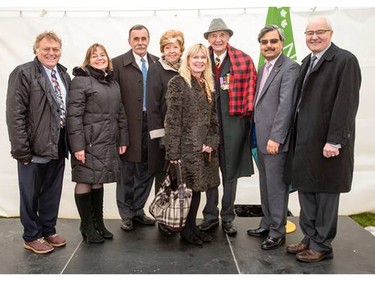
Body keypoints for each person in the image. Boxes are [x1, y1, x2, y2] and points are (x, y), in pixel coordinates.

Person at [286, 16, 361, 262]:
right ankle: (309, 237)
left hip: (327, 142)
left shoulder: (345, 60)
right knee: (307, 190)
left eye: (319, 32)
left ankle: (322, 245)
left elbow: (346, 104)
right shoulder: (307, 61)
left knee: (326, 193)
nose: (314, 37)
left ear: (330, 33)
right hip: (305, 141)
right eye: (309, 33)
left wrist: (335, 140)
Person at [6, 31, 70, 254]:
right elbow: (15, 114)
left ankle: (48, 229)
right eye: (46, 49)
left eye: (55, 49)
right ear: (36, 50)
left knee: (52, 191)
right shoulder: (23, 73)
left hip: (59, 144)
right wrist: (21, 150)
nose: (51, 53)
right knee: (30, 192)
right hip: (33, 147)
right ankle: (32, 235)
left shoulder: (63, 74)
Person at [67, 43, 129, 243]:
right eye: (95, 56)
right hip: (88, 142)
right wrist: (77, 146)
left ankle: (98, 223)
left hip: (106, 140)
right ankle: (86, 225)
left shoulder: (112, 82)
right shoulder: (81, 81)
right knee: (85, 180)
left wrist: (123, 138)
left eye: (103, 54)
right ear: (88, 60)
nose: (100, 58)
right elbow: (73, 116)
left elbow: (120, 112)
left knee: (97, 179)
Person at [199, 18, 256, 235]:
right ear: (208, 39)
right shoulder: (200, 58)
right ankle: (210, 216)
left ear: (228, 37)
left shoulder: (243, 59)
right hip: (208, 127)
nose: (218, 39)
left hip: (234, 125)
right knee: (210, 172)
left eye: (222, 35)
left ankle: (228, 217)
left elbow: (252, 91)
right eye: (213, 35)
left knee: (230, 174)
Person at [246, 25, 299, 250]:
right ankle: (267, 223)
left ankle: (277, 231)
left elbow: (286, 106)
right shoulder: (265, 67)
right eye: (264, 42)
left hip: (275, 140)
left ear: (281, 43)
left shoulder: (290, 68)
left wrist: (277, 138)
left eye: (273, 41)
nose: (268, 46)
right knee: (265, 184)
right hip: (260, 136)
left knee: (276, 187)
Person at [164, 43, 220, 246]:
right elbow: (172, 121)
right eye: (195, 57)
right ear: (187, 60)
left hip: (204, 151)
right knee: (187, 191)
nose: (199, 61)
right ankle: (186, 231)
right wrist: (173, 153)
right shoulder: (178, 83)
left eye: (203, 58)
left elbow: (214, 119)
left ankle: (193, 228)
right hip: (185, 150)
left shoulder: (208, 84)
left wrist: (211, 143)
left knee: (197, 191)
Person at [112, 24, 159, 231]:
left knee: (147, 170)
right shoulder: (117, 64)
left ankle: (138, 210)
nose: (140, 42)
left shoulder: (157, 62)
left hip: (153, 125)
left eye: (144, 38)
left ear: (149, 40)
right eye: (136, 38)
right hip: (128, 125)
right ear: (129, 41)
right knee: (126, 172)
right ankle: (126, 214)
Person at [146, 30, 185, 235]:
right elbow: (152, 105)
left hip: (182, 137)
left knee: (178, 178)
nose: (171, 51)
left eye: (175, 47)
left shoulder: (185, 69)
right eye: (167, 47)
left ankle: (176, 216)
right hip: (162, 136)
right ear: (162, 50)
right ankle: (162, 219)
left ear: (181, 49)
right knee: (163, 179)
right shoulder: (155, 69)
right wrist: (161, 137)